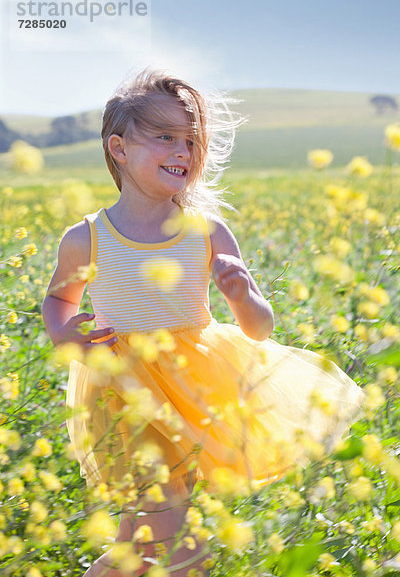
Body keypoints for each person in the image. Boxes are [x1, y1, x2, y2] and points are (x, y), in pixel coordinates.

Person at [42, 68, 365, 577]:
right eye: (165, 137)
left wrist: (242, 294)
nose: (183, 151)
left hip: (196, 390)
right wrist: (65, 334)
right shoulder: (87, 238)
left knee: (145, 536)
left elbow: (259, 329)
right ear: (119, 149)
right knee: (170, 534)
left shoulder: (207, 232)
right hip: (124, 390)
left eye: (192, 140)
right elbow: (59, 299)